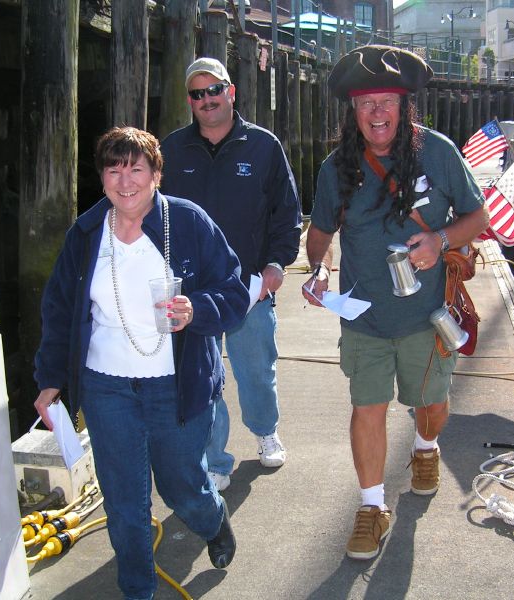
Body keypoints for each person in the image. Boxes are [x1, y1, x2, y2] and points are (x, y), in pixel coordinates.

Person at [33, 127, 249, 600]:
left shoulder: (188, 222)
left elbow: (234, 293)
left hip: (176, 384)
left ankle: (212, 521)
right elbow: (60, 309)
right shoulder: (86, 232)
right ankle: (137, 590)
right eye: (114, 168)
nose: (125, 179)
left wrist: (197, 310)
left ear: (156, 174)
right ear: (103, 176)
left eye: (136, 167)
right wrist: (50, 379)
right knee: (125, 501)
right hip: (105, 386)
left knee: (182, 487)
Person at [302, 46, 489, 561]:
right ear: (353, 112)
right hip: (364, 318)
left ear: (406, 107)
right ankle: (371, 507)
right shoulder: (334, 169)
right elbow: (319, 233)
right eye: (365, 104)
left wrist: (441, 241)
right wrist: (317, 270)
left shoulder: (440, 153)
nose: (376, 114)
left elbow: (479, 218)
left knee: (429, 406)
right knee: (368, 408)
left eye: (386, 101)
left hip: (427, 318)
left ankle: (426, 447)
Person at [160, 57, 302, 492]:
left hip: (249, 289)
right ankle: (215, 458)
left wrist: (277, 265)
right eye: (197, 94)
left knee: (256, 369)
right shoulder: (171, 149)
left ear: (231, 92)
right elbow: (152, 215)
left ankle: (264, 430)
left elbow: (287, 212)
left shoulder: (263, 146)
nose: (207, 100)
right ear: (190, 100)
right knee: (203, 380)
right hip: (193, 294)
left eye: (214, 90)